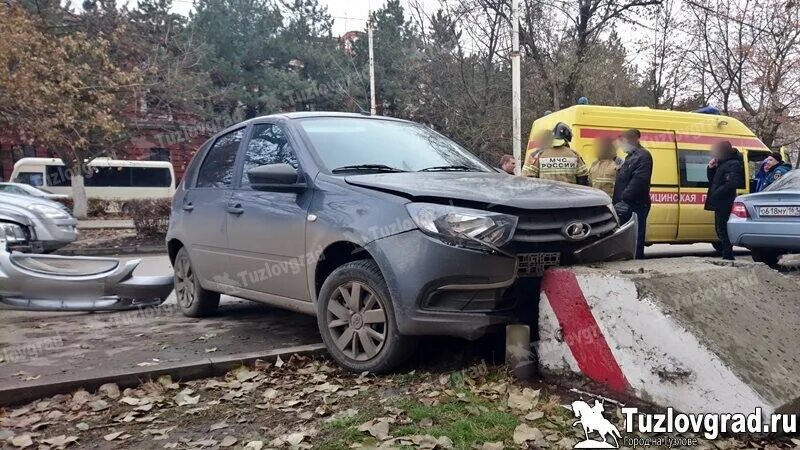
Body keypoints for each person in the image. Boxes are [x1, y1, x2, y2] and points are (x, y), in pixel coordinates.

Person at [612, 129, 653, 260]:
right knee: (625, 237)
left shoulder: (643, 156)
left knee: (635, 237)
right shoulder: (630, 157)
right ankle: (628, 260)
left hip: (636, 205)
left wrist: (624, 199)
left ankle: (636, 263)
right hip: (626, 204)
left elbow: (638, 181)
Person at [705, 141, 743, 261]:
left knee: (723, 229)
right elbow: (713, 179)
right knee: (719, 229)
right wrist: (710, 168)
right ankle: (726, 254)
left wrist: (716, 193)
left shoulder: (733, 164)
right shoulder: (722, 163)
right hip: (719, 201)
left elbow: (731, 183)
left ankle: (728, 255)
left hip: (725, 202)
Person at [522, 123, 589, 186]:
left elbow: (531, 176)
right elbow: (583, 178)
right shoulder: (574, 154)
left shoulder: (541, 154)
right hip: (569, 195)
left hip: (547, 194)